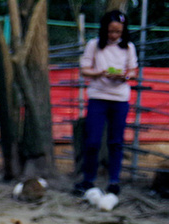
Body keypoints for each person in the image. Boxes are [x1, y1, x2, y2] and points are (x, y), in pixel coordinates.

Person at [74, 10, 138, 196]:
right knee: (93, 141)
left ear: (123, 31)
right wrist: (100, 73)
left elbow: (133, 71)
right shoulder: (94, 45)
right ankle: (88, 180)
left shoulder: (128, 47)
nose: (113, 35)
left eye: (118, 32)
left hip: (119, 99)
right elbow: (85, 69)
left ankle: (113, 181)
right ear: (104, 29)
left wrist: (124, 75)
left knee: (116, 142)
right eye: (111, 31)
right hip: (98, 97)